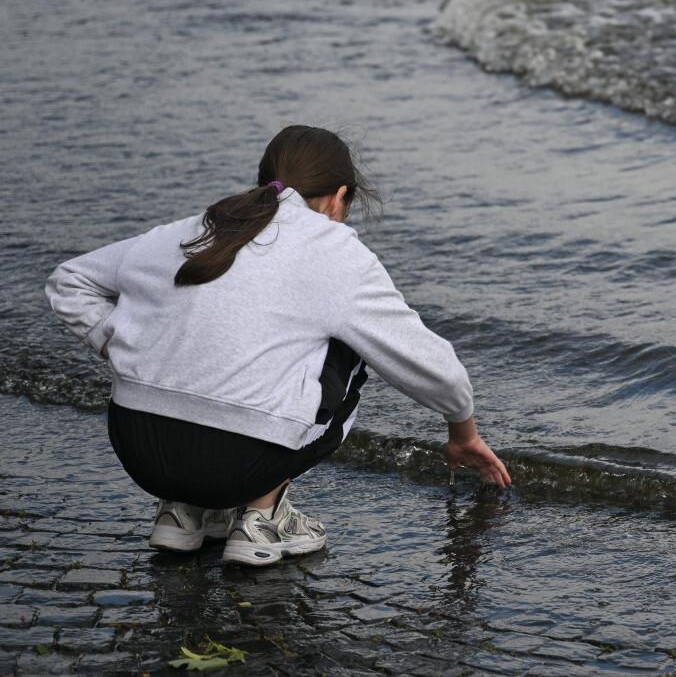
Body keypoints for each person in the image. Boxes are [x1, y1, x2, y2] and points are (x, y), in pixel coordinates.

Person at [44, 125, 511, 566]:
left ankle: (184, 512)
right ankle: (264, 520)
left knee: (201, 332)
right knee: (349, 348)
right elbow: (431, 365)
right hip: (240, 463)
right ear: (339, 198)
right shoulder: (335, 250)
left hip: (139, 449)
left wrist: (126, 344)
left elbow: (69, 281)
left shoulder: (190, 229)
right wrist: (462, 433)